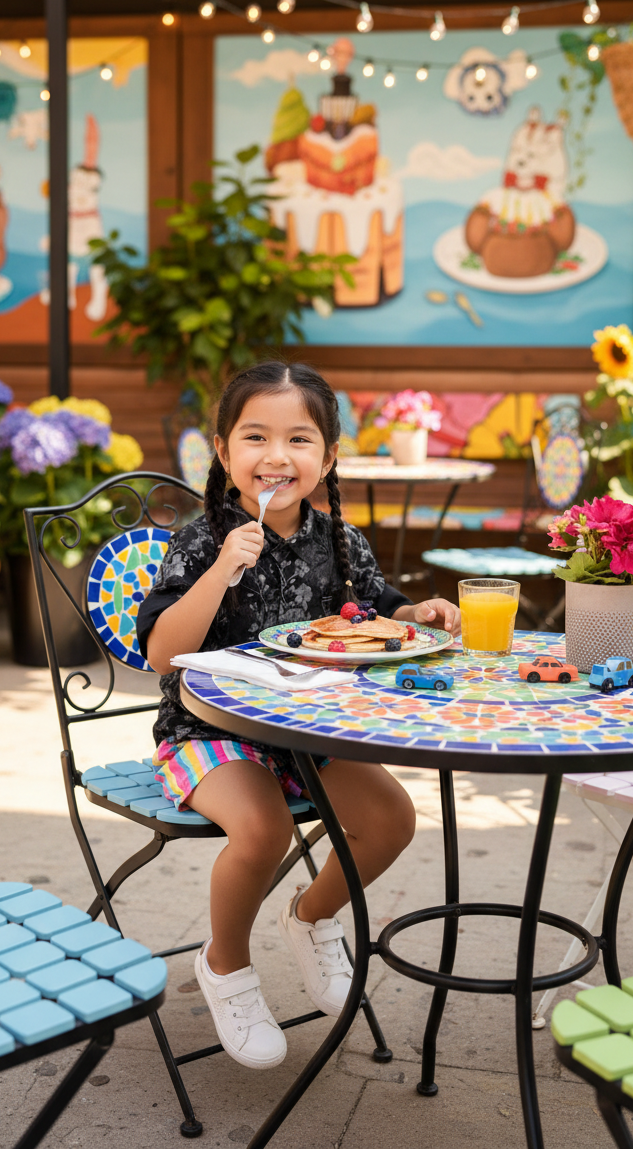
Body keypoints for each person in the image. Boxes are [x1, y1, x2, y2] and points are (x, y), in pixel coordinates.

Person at [137, 362, 460, 1071]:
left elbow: (374, 608)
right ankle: (225, 965)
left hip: (310, 732)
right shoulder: (202, 540)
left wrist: (416, 612)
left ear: (328, 458)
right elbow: (164, 654)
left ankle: (311, 918)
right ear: (223, 453)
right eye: (255, 437)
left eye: (299, 440)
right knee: (263, 829)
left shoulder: (340, 541)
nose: (277, 456)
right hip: (209, 733)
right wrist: (222, 567)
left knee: (391, 820)